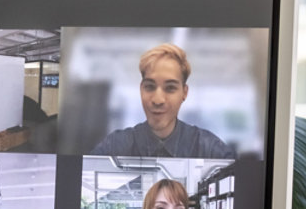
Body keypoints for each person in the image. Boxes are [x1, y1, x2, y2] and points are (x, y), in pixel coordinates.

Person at [89, 43, 235, 159]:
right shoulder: (114, 147)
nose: (158, 100)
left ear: (184, 93)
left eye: (170, 88)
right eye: (150, 87)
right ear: (141, 89)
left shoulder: (209, 149)